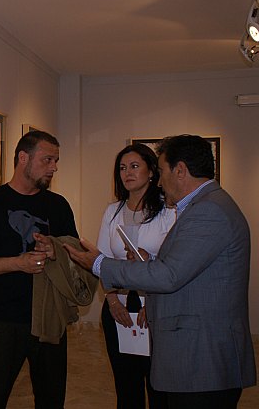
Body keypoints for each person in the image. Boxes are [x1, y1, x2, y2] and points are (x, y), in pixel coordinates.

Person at [64, 135, 256, 409]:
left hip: (203, 358)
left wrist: (98, 264)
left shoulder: (208, 211)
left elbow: (169, 276)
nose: (160, 181)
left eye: (162, 171)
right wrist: (149, 260)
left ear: (180, 170)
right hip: (196, 353)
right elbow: (184, 266)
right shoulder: (205, 205)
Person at [0, 130, 78, 409]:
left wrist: (55, 250)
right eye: (47, 160)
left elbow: (76, 255)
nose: (54, 167)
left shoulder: (59, 206)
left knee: (51, 400)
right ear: (23, 158)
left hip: (49, 319)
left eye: (56, 161)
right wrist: (18, 263)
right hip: (3, 320)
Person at [97, 144, 174, 409]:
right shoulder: (113, 211)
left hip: (154, 306)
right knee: (126, 387)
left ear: (152, 171)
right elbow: (103, 261)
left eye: (134, 166)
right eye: (122, 168)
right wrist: (112, 301)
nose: (127, 173)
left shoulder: (168, 211)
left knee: (158, 387)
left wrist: (148, 260)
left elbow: (174, 263)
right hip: (119, 307)